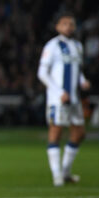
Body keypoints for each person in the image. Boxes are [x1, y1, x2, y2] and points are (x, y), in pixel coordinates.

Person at [37, 13, 91, 187]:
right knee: (56, 132)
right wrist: (59, 91)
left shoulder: (77, 46)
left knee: (80, 133)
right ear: (58, 27)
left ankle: (66, 171)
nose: (69, 27)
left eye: (72, 24)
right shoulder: (52, 46)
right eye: (65, 23)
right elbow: (42, 73)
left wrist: (83, 81)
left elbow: (76, 70)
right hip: (58, 98)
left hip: (74, 97)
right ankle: (56, 175)